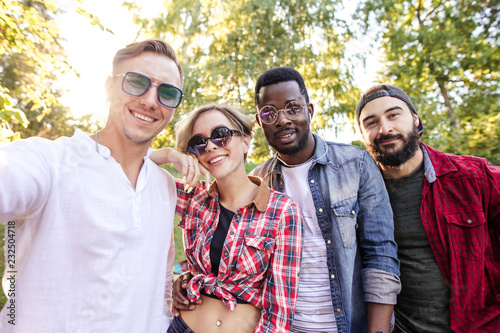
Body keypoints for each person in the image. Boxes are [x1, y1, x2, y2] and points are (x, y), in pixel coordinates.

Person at [172, 68, 402, 333]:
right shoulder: (258, 181)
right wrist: (191, 278)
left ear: (310, 111)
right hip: (283, 325)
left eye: (293, 108)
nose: (282, 120)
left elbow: (380, 255)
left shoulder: (355, 165)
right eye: (270, 113)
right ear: (259, 122)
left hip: (347, 324)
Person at [0, 39, 199, 332]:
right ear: (108, 87)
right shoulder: (52, 162)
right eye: (137, 82)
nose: (150, 100)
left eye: (167, 92)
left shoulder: (165, 186)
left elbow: (161, 282)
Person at [355, 83, 500, 332]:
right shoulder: (357, 197)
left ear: (415, 120)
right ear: (362, 135)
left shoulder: (474, 177)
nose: (385, 128)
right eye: (371, 122)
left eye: (393, 115)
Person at [151, 103, 303, 333]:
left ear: (245, 140)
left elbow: (279, 312)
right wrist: (168, 154)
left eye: (220, 134)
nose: (210, 145)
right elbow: (125, 166)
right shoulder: (193, 199)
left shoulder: (281, 211)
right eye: (198, 142)